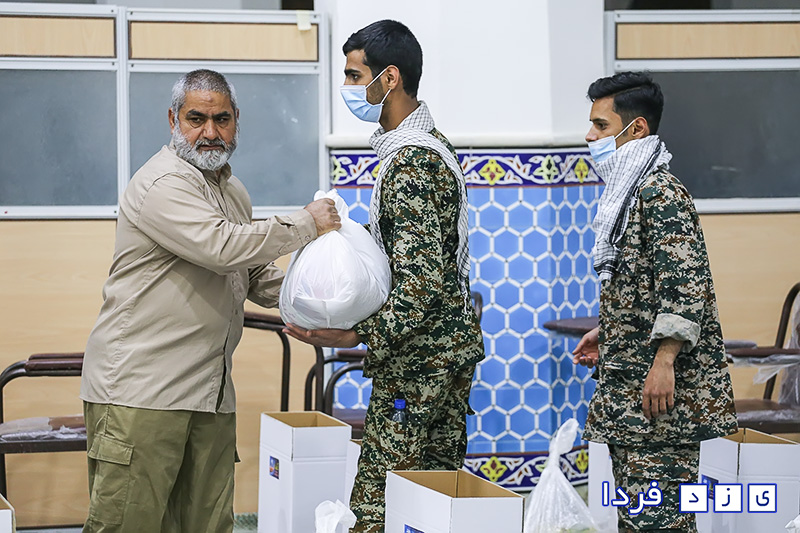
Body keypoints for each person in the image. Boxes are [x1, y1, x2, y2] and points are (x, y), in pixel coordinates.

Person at [79, 69, 340, 532]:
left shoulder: (231, 190)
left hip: (209, 394)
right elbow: (221, 248)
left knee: (208, 525)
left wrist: (328, 304)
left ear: (236, 120)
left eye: (222, 119)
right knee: (127, 524)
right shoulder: (162, 183)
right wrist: (305, 223)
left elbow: (253, 274)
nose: (210, 132)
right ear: (173, 120)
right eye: (195, 119)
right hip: (143, 395)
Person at [284, 20, 484, 532]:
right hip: (445, 352)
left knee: (379, 502)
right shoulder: (427, 145)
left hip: (419, 362)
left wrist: (357, 333)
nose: (348, 88)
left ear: (389, 78)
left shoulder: (411, 161)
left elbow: (418, 282)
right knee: (432, 500)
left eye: (355, 76)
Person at [572, 71, 737, 532]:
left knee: (660, 523)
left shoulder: (660, 194)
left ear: (637, 128)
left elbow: (685, 289)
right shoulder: (630, 194)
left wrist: (664, 361)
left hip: (659, 404)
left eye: (601, 125)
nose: (589, 136)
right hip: (633, 398)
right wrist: (610, 331)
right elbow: (649, 285)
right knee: (638, 520)